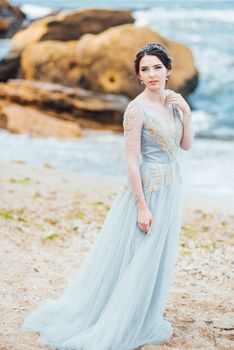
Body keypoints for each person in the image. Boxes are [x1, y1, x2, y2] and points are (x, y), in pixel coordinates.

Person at [22, 42, 194, 349]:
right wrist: (142, 206)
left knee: (157, 256)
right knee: (138, 255)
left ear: (168, 70)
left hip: (172, 186)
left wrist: (186, 111)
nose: (152, 74)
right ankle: (118, 319)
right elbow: (130, 160)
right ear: (138, 76)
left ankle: (142, 316)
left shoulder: (172, 104)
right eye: (145, 69)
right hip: (148, 188)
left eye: (157, 67)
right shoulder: (136, 109)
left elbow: (185, 146)